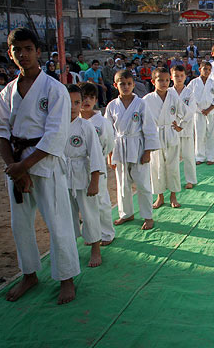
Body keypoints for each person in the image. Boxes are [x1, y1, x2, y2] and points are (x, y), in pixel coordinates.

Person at [0, 27, 81, 305]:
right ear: (10, 54)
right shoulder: (7, 92)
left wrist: (25, 166)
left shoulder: (54, 89)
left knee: (58, 222)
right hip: (16, 163)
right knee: (21, 225)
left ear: (38, 52)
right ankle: (29, 274)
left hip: (45, 163)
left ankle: (66, 278)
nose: (23, 54)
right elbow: (0, 131)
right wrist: (14, 168)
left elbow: (55, 134)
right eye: (17, 50)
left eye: (28, 48)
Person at [105, 69, 160, 231]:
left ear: (134, 85)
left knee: (143, 183)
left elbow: (149, 128)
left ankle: (148, 215)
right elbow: (108, 132)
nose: (126, 87)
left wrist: (148, 151)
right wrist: (110, 154)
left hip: (138, 146)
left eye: (129, 84)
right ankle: (126, 213)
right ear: (116, 85)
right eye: (122, 84)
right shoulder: (111, 106)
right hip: (119, 147)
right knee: (122, 183)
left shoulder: (141, 103)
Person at [65, 84, 106, 268]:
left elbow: (96, 155)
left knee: (89, 213)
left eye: (77, 102)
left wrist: (94, 181)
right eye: (69, 102)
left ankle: (95, 248)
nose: (73, 106)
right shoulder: (55, 124)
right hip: (62, 173)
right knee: (67, 214)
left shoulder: (86, 126)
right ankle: (70, 247)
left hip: (83, 172)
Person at [143, 67, 187, 210]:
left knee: (173, 166)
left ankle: (173, 195)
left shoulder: (173, 96)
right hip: (155, 135)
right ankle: (160, 196)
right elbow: (141, 120)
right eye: (160, 80)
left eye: (167, 80)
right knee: (156, 167)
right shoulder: (147, 99)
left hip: (170, 132)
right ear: (153, 81)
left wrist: (181, 126)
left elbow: (185, 113)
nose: (164, 83)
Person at [80, 82, 116, 247]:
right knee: (84, 202)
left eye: (91, 97)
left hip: (97, 163)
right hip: (78, 165)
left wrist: (103, 157)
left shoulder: (102, 122)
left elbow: (109, 143)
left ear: (96, 100)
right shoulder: (72, 120)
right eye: (83, 97)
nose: (87, 101)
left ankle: (107, 232)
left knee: (101, 199)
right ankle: (91, 234)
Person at [171, 65, 198, 189]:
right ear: (171, 77)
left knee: (188, 156)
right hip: (172, 127)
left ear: (185, 77)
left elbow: (191, 111)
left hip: (185, 128)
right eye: (176, 76)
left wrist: (181, 125)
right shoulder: (168, 93)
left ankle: (190, 180)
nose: (179, 78)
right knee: (173, 158)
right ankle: (173, 181)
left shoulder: (189, 93)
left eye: (182, 76)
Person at [190, 61, 213, 165]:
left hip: (211, 111)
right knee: (199, 134)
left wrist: (209, 109)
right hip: (198, 112)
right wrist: (199, 109)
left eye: (209, 69)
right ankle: (199, 157)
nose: (207, 71)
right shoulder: (193, 83)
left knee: (211, 134)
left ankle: (210, 157)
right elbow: (189, 97)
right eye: (205, 69)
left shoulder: (213, 83)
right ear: (200, 70)